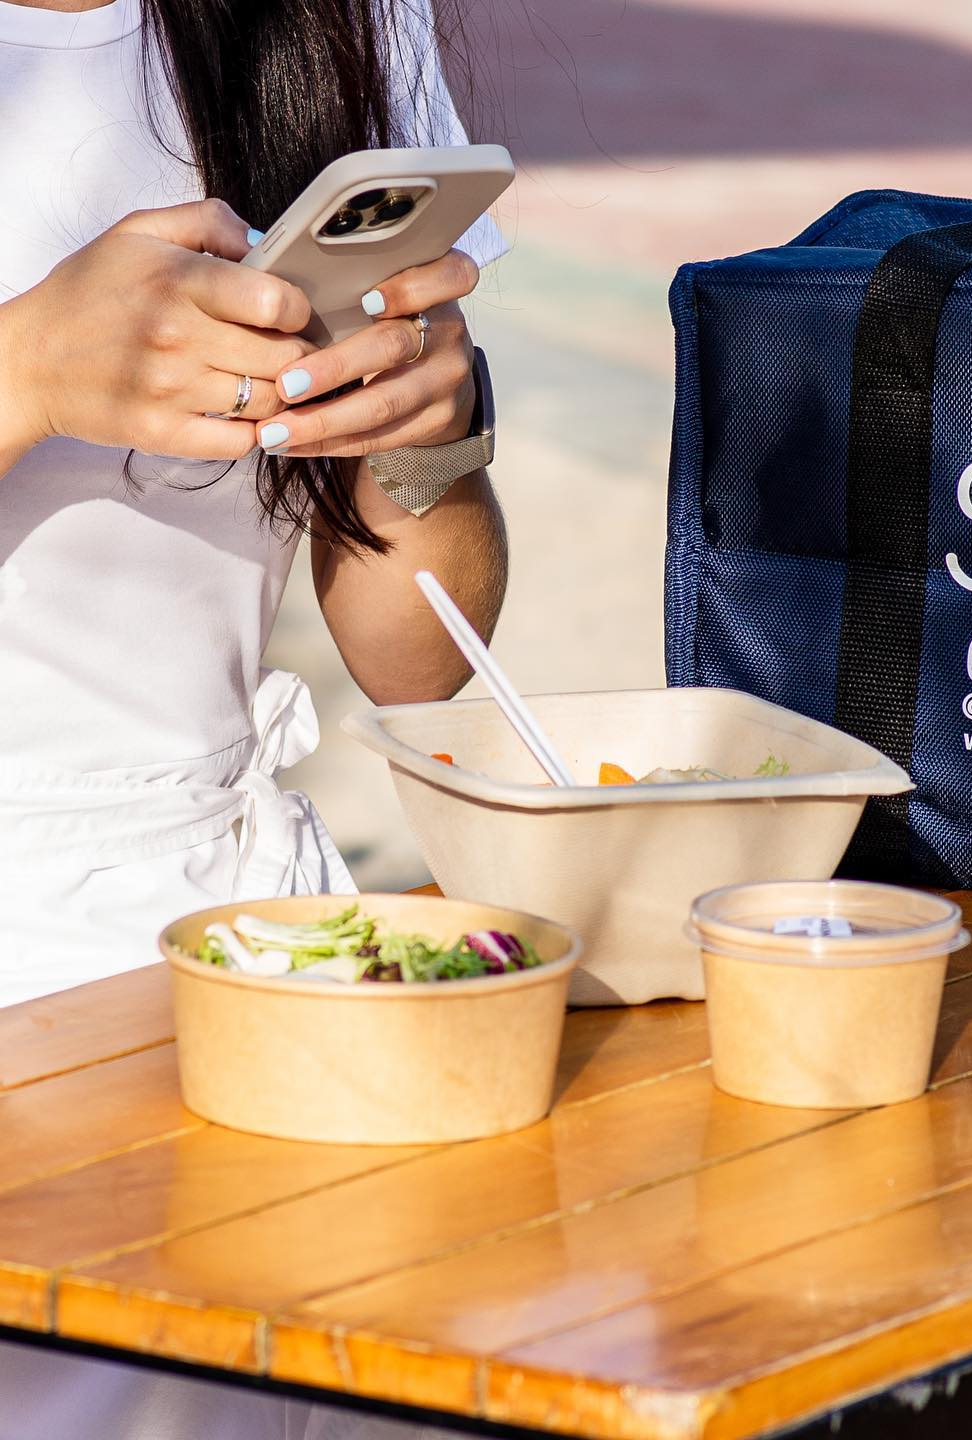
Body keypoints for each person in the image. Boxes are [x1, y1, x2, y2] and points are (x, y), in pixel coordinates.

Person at [0, 0, 508, 1433]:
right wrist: (28, 370)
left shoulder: (333, 21)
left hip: (225, 960)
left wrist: (424, 435)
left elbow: (419, 660)